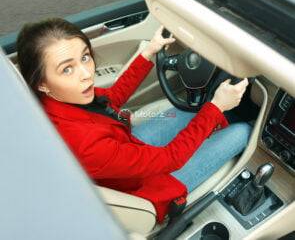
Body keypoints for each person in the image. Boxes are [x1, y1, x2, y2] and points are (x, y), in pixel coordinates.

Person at [16, 18, 251, 223]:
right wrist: (216, 107)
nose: (87, 73)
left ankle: (215, 121)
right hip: (142, 189)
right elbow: (171, 158)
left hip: (122, 151)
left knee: (193, 111)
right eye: (67, 69)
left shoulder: (55, 101)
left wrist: (149, 52)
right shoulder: (85, 144)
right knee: (242, 131)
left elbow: (111, 100)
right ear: (42, 83)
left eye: (85, 57)